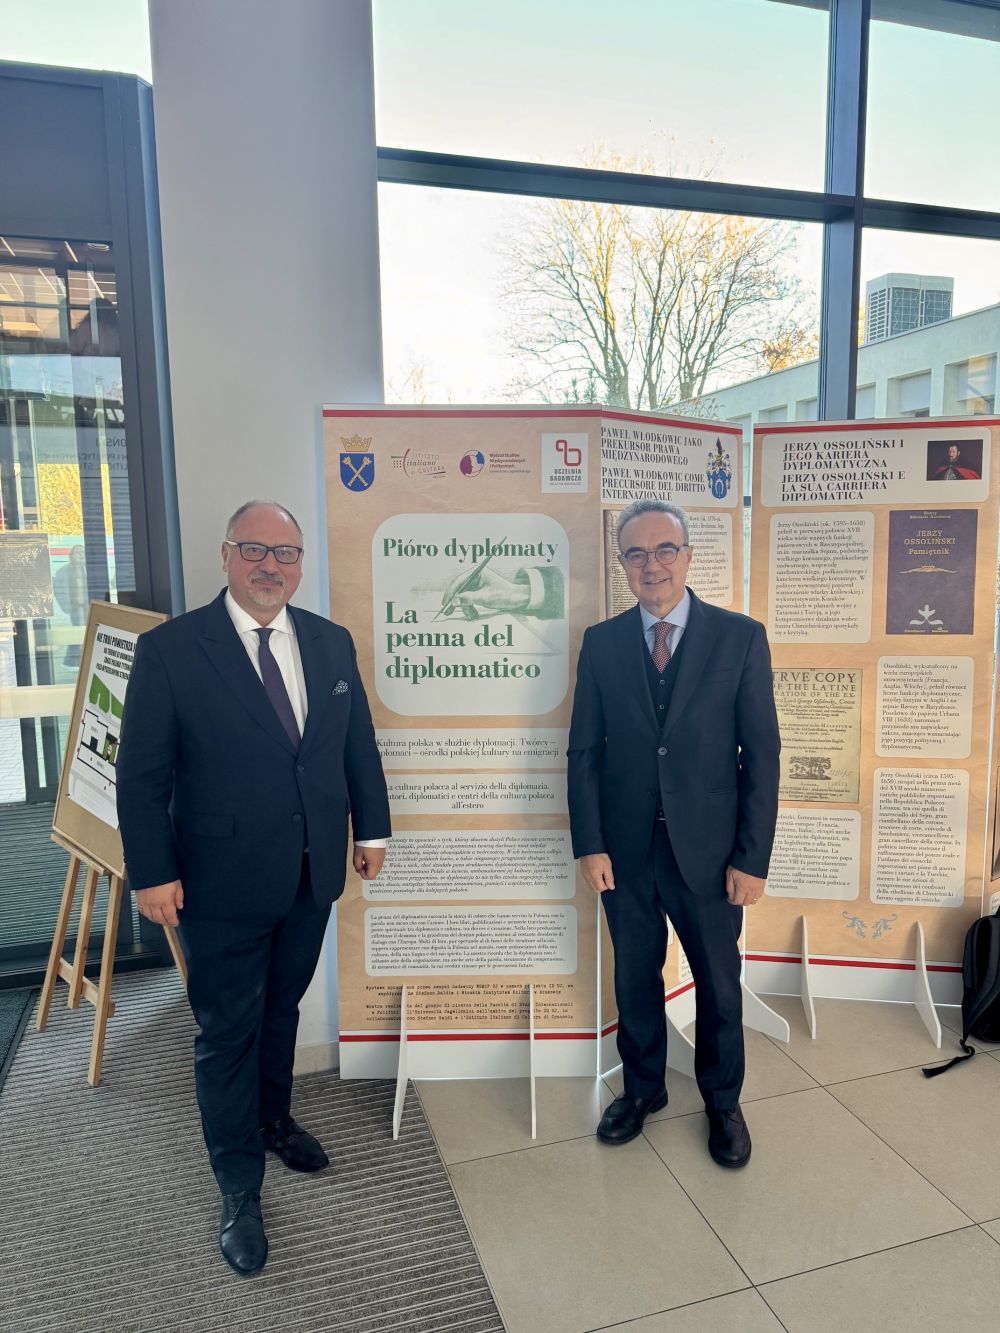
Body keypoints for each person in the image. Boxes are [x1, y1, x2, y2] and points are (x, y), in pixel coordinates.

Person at [117, 500, 390, 1275]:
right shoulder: (173, 650)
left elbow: (354, 745)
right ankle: (239, 1184)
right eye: (255, 550)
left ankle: (274, 1119)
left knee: (281, 1006)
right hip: (219, 882)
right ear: (227, 554)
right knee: (227, 1031)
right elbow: (141, 775)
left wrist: (370, 830)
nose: (272, 565)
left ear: (301, 563)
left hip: (311, 875)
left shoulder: (331, 643)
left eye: (287, 552)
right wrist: (154, 871)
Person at [567, 497, 779, 1167]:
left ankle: (722, 1101)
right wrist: (589, 841)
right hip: (624, 853)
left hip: (713, 854)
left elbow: (761, 755)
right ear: (622, 563)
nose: (651, 564)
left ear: (688, 556)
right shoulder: (601, 643)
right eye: (636, 552)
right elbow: (585, 753)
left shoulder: (739, 637)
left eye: (664, 550)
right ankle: (643, 1088)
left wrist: (752, 856)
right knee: (635, 976)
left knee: (719, 982)